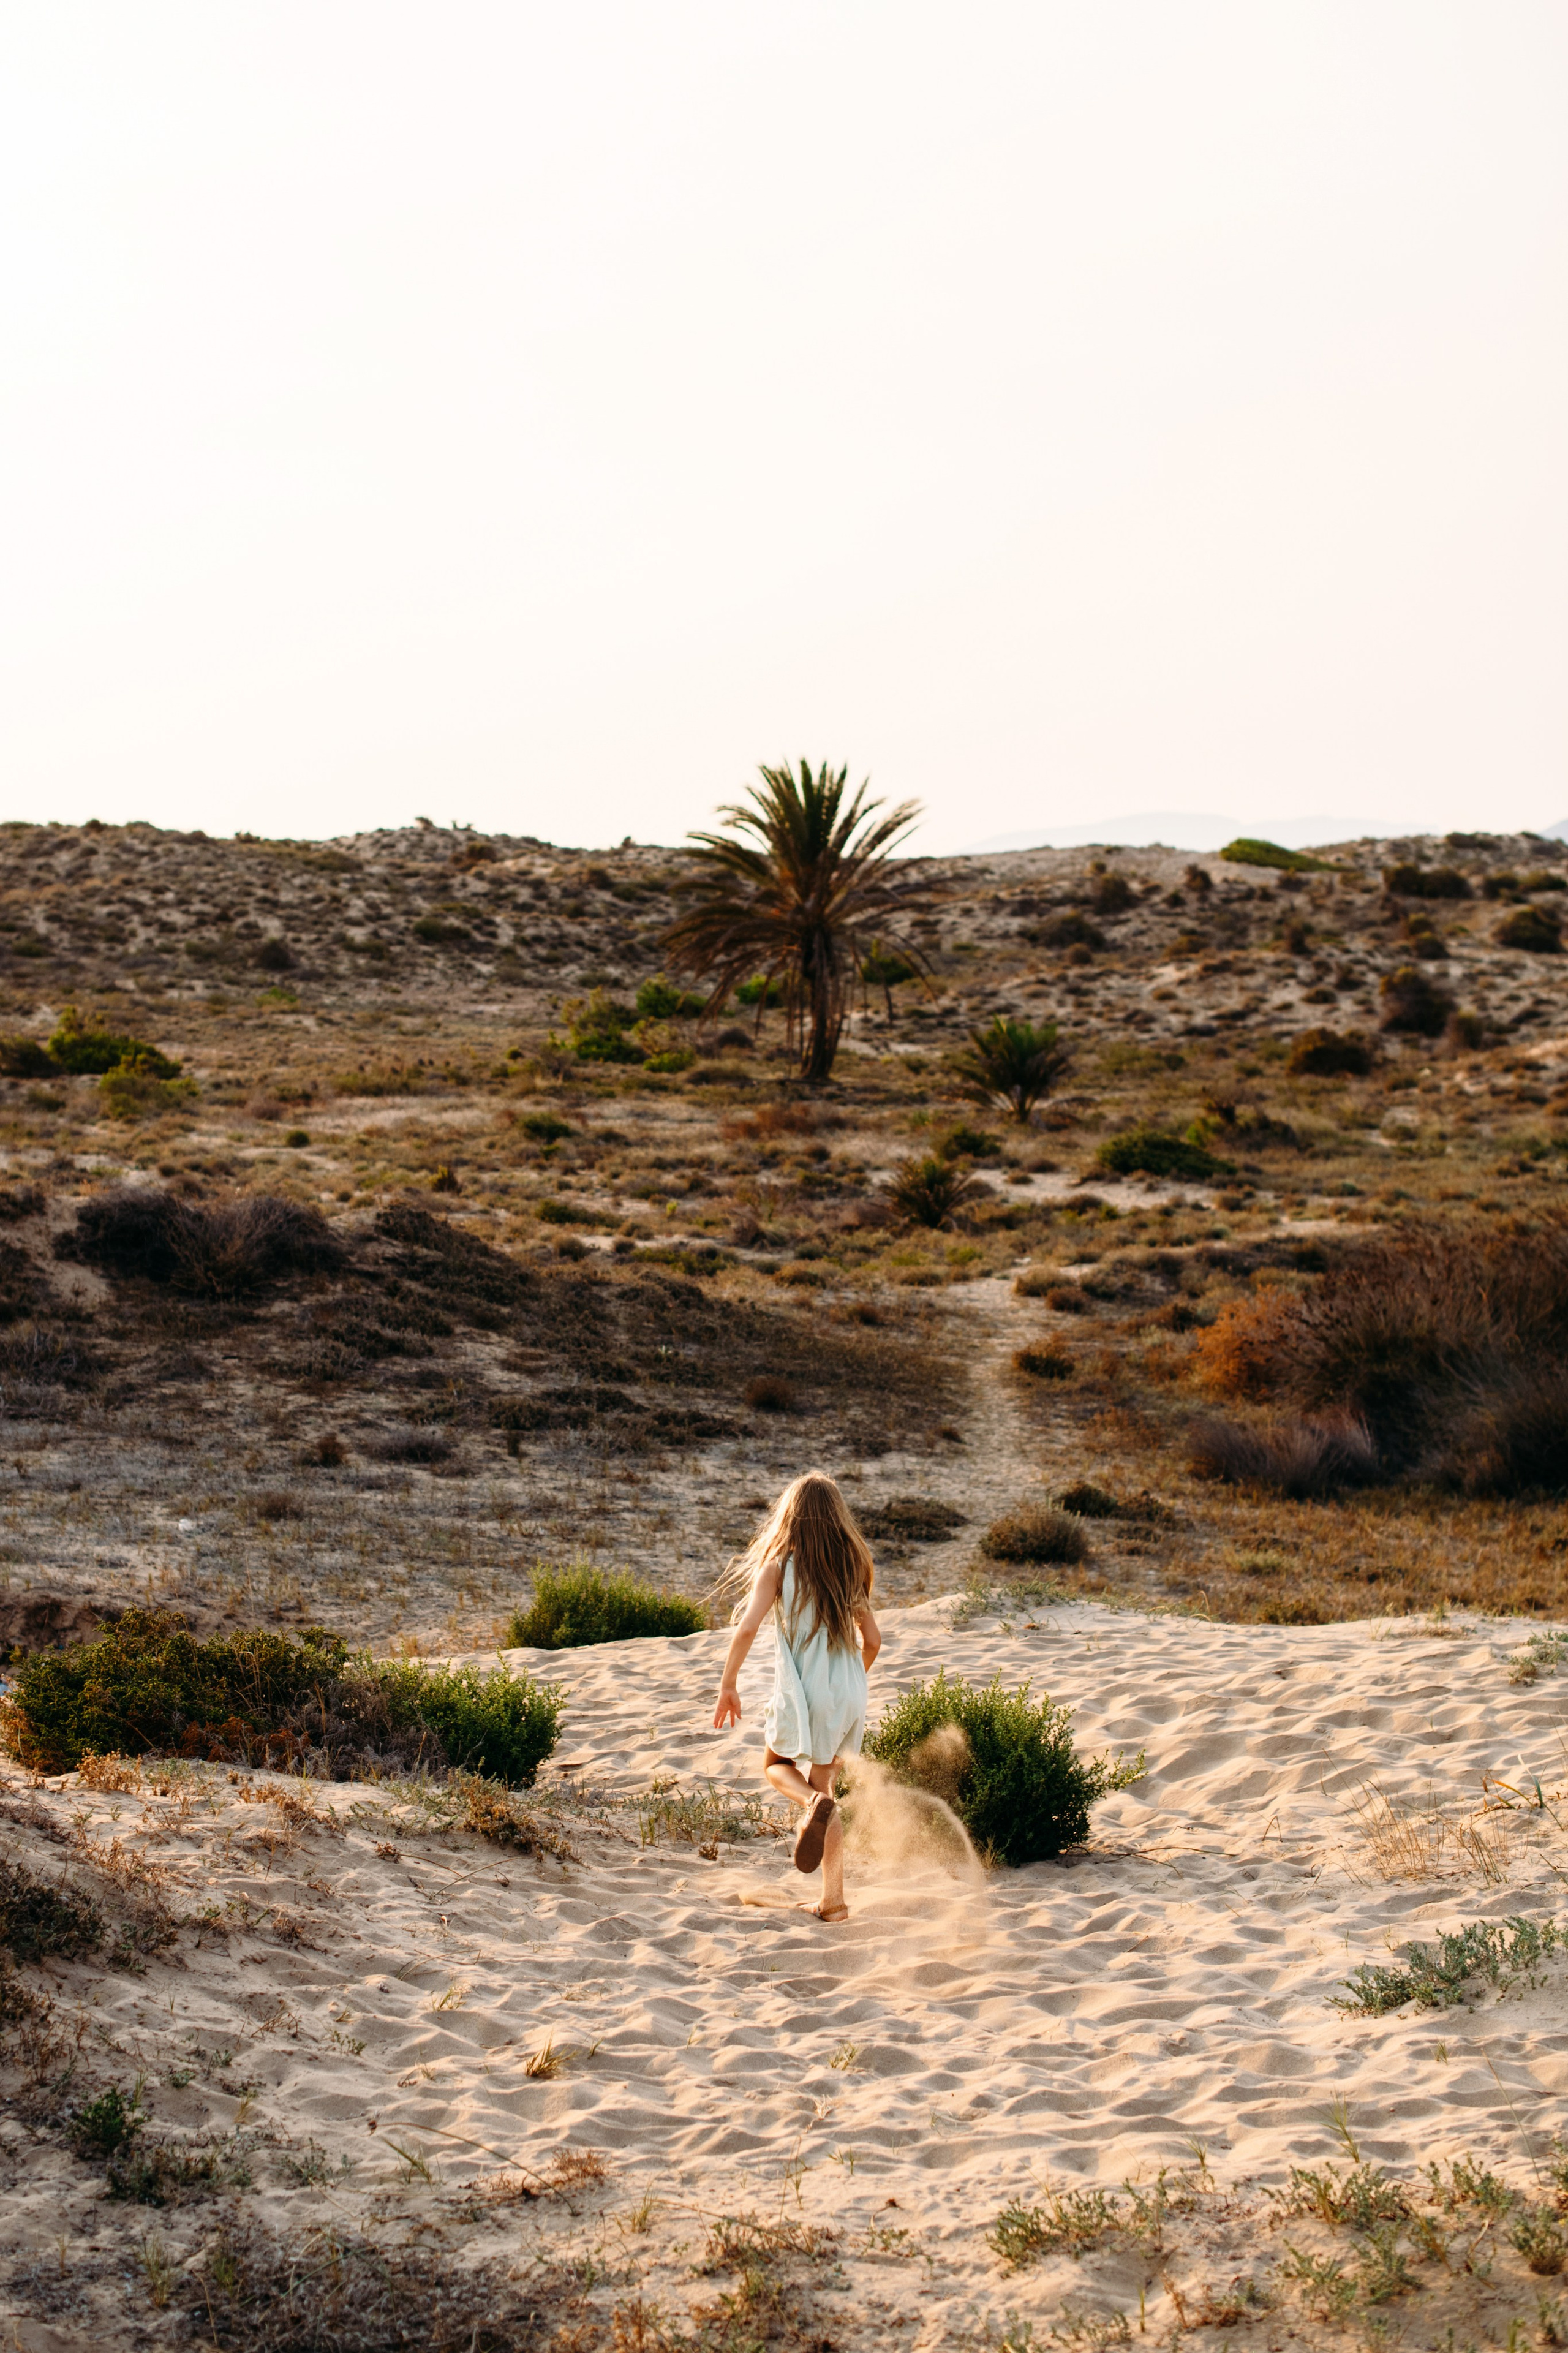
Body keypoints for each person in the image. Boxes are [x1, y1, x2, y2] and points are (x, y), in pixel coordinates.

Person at [711, 1470, 881, 1924]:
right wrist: (851, 1681)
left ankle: (810, 1806)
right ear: (837, 1519)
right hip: (849, 1694)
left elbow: (747, 1628)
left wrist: (728, 1684)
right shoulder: (851, 1571)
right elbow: (874, 1640)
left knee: (775, 1767)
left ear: (792, 1516)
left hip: (805, 1691)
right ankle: (834, 1900)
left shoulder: (779, 1568)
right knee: (824, 1784)